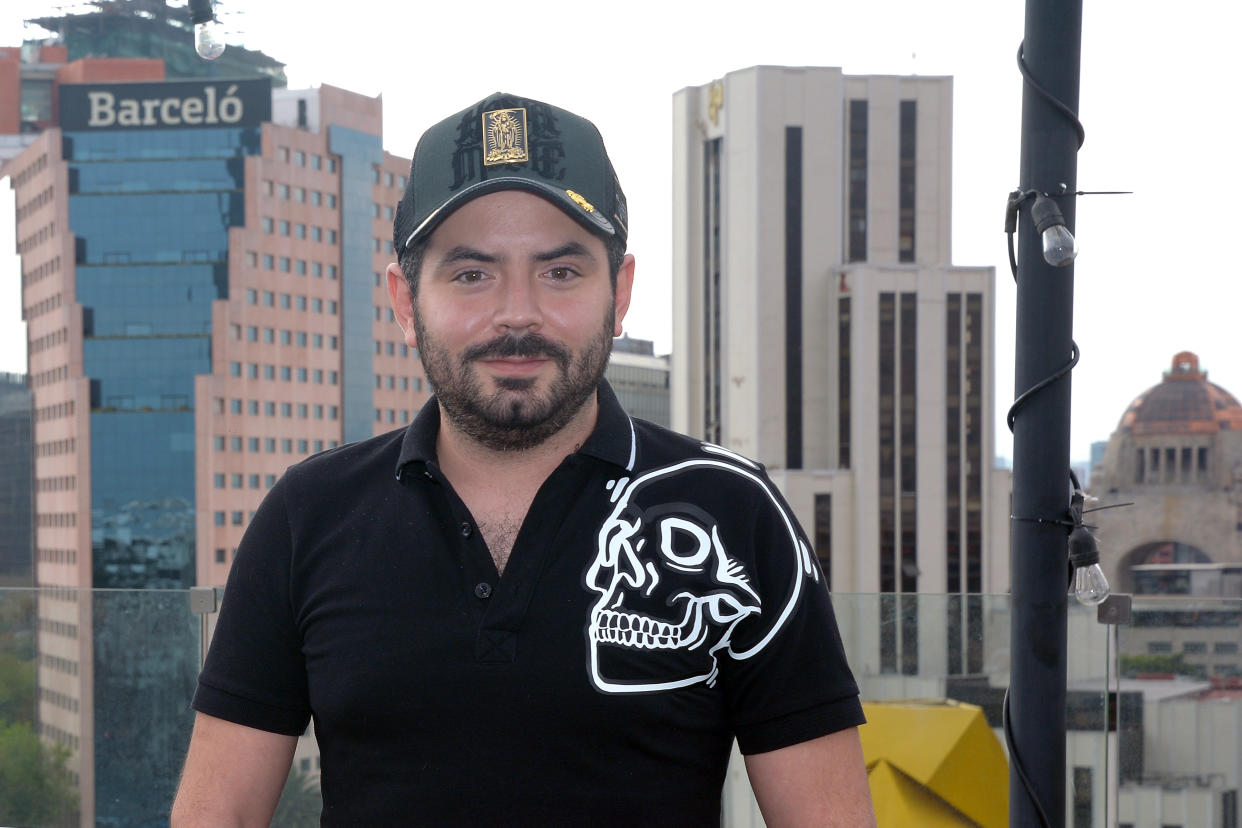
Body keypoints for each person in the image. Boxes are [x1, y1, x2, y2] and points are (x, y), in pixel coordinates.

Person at [171, 92, 875, 827]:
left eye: (561, 272)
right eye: (472, 274)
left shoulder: (731, 512)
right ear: (406, 300)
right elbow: (217, 815)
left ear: (620, 292)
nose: (517, 314)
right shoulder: (307, 514)